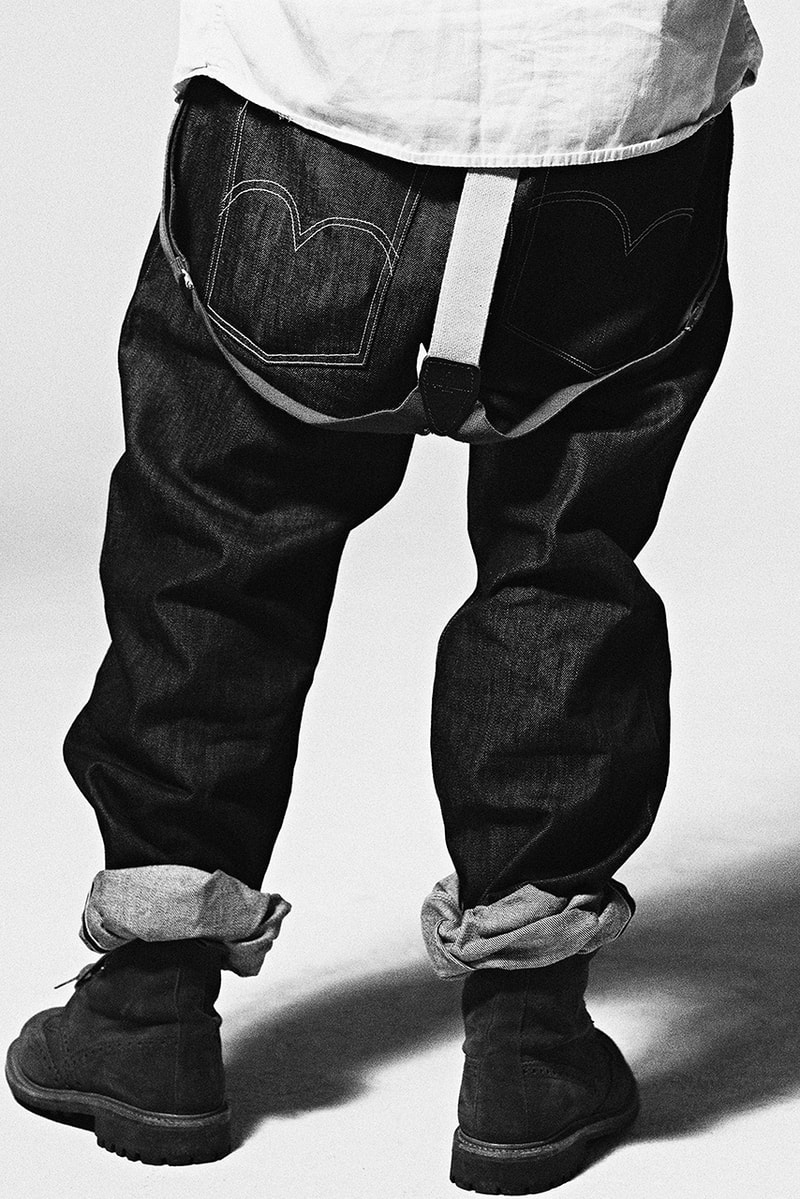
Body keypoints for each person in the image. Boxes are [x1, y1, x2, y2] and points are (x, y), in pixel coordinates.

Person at [5, 2, 762, 1193]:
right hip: (614, 125)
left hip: (321, 97)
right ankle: (530, 1044)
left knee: (215, 540)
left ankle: (149, 1009)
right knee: (561, 562)